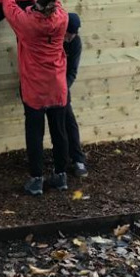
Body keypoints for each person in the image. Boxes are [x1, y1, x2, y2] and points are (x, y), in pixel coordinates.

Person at [0, 0, 70, 196]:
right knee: (59, 132)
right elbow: (56, 4)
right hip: (57, 86)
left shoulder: (28, 23)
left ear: (35, 0)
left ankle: (36, 180)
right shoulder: (62, 18)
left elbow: (10, 10)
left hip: (35, 88)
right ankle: (61, 177)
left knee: (34, 133)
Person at [63, 13, 88, 177]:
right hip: (41, 86)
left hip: (61, 87)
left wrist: (63, 87)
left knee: (69, 122)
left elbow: (72, 71)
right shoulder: (53, 38)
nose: (70, 37)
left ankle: (78, 159)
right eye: (68, 33)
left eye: (73, 34)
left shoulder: (75, 42)